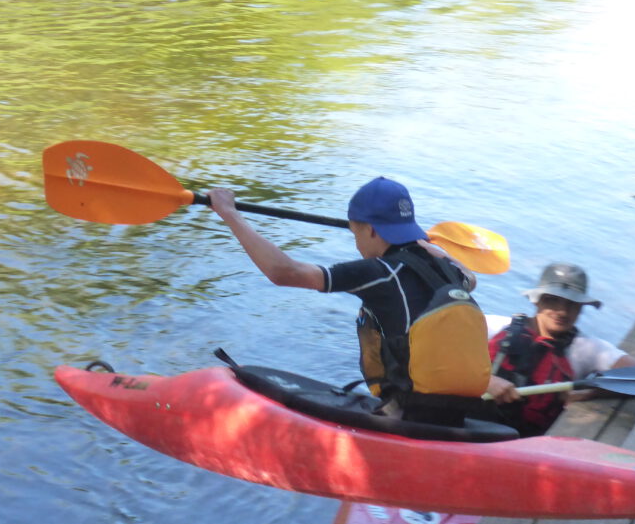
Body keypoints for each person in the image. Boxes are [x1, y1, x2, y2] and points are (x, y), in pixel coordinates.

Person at [207, 177, 500, 426]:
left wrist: (230, 214)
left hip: (407, 413)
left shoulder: (381, 273)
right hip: (453, 410)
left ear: (371, 230)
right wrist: (422, 243)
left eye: (356, 233)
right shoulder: (451, 272)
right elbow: (471, 277)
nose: (357, 243)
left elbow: (285, 272)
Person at [482, 262, 635, 437]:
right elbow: (448, 352)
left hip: (526, 442)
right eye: (553, 300)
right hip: (472, 422)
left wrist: (589, 393)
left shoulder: (588, 348)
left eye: (572, 304)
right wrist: (485, 380)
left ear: (581, 308)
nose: (563, 311)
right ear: (538, 300)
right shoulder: (493, 326)